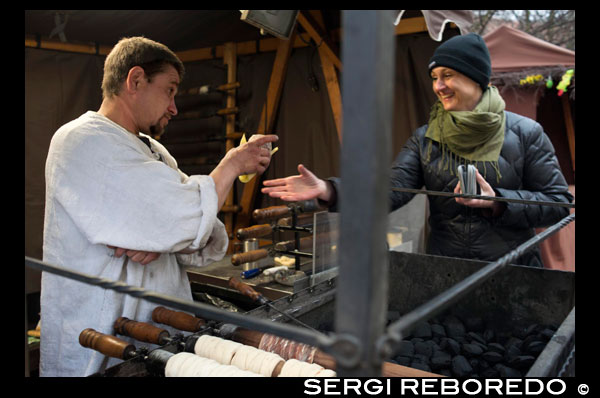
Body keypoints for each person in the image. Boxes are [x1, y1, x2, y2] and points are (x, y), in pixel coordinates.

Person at [40, 36, 278, 376]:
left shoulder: (153, 149)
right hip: (100, 336)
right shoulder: (80, 139)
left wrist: (160, 236)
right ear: (135, 80)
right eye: (170, 90)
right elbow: (180, 218)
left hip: (160, 334)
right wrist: (230, 166)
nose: (174, 107)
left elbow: (195, 228)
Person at [262, 33, 573, 268]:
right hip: (444, 273)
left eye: (448, 75)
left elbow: (559, 204)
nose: (438, 86)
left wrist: (498, 202)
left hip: (514, 272)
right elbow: (391, 189)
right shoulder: (426, 138)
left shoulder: (526, 133)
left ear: (478, 79)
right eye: (435, 78)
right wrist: (331, 190)